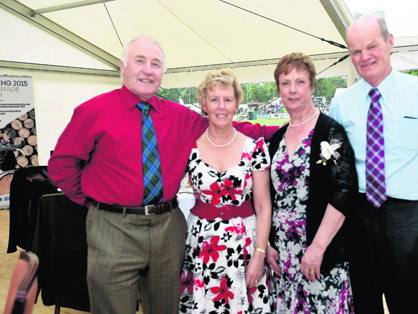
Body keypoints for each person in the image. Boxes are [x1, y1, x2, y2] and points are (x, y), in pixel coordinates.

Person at [48, 36, 277, 314]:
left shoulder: (178, 115)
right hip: (113, 228)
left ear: (162, 73)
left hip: (168, 228)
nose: (148, 69)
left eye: (155, 64)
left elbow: (228, 128)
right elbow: (61, 165)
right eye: (140, 61)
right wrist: (95, 203)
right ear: (123, 67)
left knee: (166, 308)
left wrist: (295, 128)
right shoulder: (93, 112)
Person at [328, 15, 418, 314]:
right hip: (358, 215)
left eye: (372, 46)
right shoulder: (341, 104)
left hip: (409, 217)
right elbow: (336, 169)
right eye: (355, 51)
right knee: (364, 304)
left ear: (390, 42)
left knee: (411, 303)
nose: (364, 57)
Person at [266, 52, 358, 313]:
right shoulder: (277, 139)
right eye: (285, 83)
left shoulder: (331, 132)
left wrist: (317, 249)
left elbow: (344, 191)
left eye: (300, 82)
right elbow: (268, 196)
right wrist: (269, 244)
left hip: (319, 254)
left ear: (312, 86)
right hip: (283, 256)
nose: (292, 90)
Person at [179, 69, 273, 313]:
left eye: (227, 99)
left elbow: (263, 206)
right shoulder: (189, 147)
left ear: (237, 103)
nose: (221, 106)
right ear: (203, 104)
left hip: (245, 244)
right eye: (214, 99)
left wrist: (259, 254)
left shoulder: (255, 149)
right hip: (201, 246)